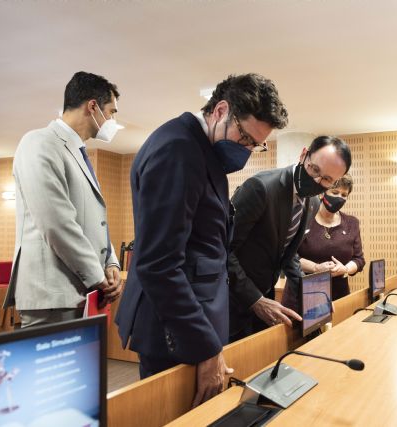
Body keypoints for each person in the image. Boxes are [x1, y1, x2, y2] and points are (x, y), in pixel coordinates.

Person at [115, 73, 288, 406]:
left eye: (255, 145)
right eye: (245, 138)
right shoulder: (177, 150)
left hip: (195, 324)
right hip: (176, 331)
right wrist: (206, 346)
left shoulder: (200, 148)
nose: (246, 151)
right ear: (221, 110)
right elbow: (159, 264)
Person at [3, 71, 123, 327]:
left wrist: (111, 262)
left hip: (81, 293)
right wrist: (97, 276)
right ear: (93, 106)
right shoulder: (39, 143)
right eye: (111, 112)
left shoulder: (80, 154)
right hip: (52, 296)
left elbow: (95, 220)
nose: (112, 120)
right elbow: (56, 223)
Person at [228, 136, 352, 342]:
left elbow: (289, 253)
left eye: (327, 180)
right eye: (314, 170)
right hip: (231, 299)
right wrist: (255, 300)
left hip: (266, 298)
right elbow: (223, 250)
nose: (317, 181)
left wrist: (311, 293)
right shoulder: (261, 188)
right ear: (304, 155)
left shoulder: (312, 202)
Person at [295, 174, 365, 301]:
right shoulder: (303, 219)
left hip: (339, 296)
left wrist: (345, 269)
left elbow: (359, 259)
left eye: (344, 195)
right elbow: (290, 257)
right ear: (322, 193)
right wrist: (315, 268)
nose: (339, 198)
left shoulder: (352, 223)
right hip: (304, 295)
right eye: (335, 192)